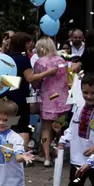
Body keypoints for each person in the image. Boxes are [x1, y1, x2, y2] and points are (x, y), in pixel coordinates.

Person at [33, 37, 72, 166]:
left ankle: (46, 157)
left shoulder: (40, 62)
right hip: (63, 99)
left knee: (46, 128)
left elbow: (36, 82)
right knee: (58, 128)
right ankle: (57, 153)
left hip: (48, 99)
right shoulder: (62, 60)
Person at [1, 32, 35, 147]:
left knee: (4, 122)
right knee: (23, 125)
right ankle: (22, 153)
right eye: (28, 42)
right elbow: (30, 78)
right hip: (20, 96)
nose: (31, 44)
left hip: (7, 95)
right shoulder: (23, 58)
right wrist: (48, 72)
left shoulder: (7, 57)